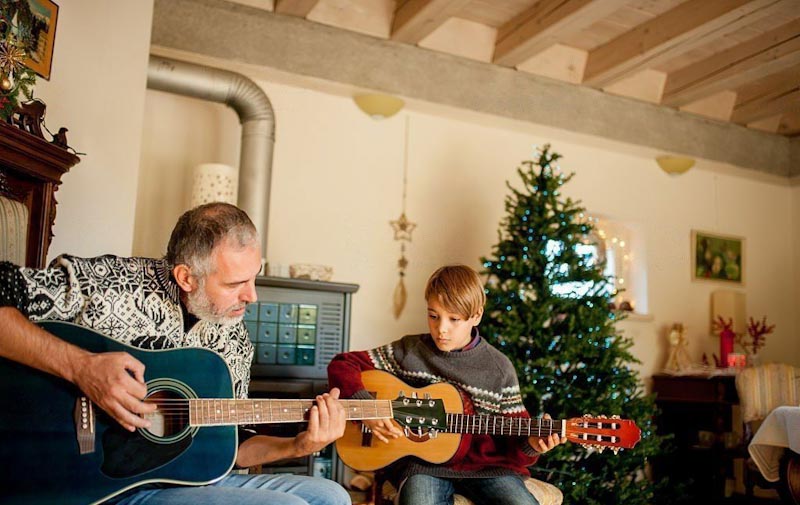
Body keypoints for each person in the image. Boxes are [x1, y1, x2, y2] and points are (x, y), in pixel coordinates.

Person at [0, 202, 350, 505]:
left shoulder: (234, 337)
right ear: (186, 277)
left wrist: (299, 445)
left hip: (177, 478)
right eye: (235, 284)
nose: (252, 297)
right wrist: (81, 368)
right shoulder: (108, 284)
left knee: (332, 496)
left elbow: (231, 446)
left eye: (253, 278)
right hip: (93, 482)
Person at [328, 264, 565, 505]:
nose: (441, 329)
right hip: (422, 466)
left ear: (476, 316)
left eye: (454, 319)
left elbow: (515, 440)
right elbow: (343, 363)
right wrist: (366, 406)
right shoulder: (410, 350)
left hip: (485, 468)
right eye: (433, 315)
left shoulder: (499, 367)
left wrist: (531, 445)